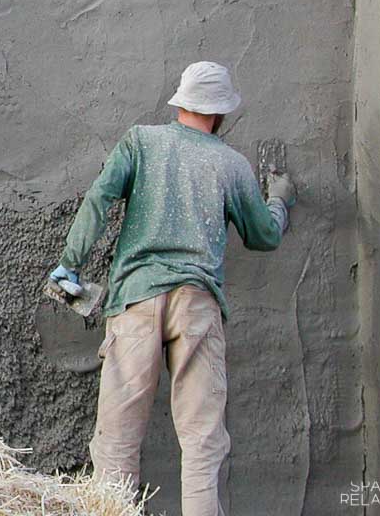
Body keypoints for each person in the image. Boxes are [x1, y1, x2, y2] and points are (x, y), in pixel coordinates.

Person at [48, 61, 296, 516]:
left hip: (136, 301)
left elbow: (100, 198)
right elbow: (264, 236)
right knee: (203, 442)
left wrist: (70, 264)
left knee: (118, 439)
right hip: (196, 304)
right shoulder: (231, 164)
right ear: (220, 114)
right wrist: (279, 199)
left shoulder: (141, 142)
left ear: (181, 102)